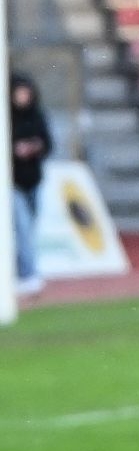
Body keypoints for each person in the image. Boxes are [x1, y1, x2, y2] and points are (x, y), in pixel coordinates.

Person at [10, 73, 49, 298]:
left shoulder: (37, 116)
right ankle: (28, 275)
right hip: (13, 182)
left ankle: (20, 270)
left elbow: (49, 144)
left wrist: (35, 147)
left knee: (29, 229)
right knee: (23, 228)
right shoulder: (8, 118)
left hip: (33, 181)